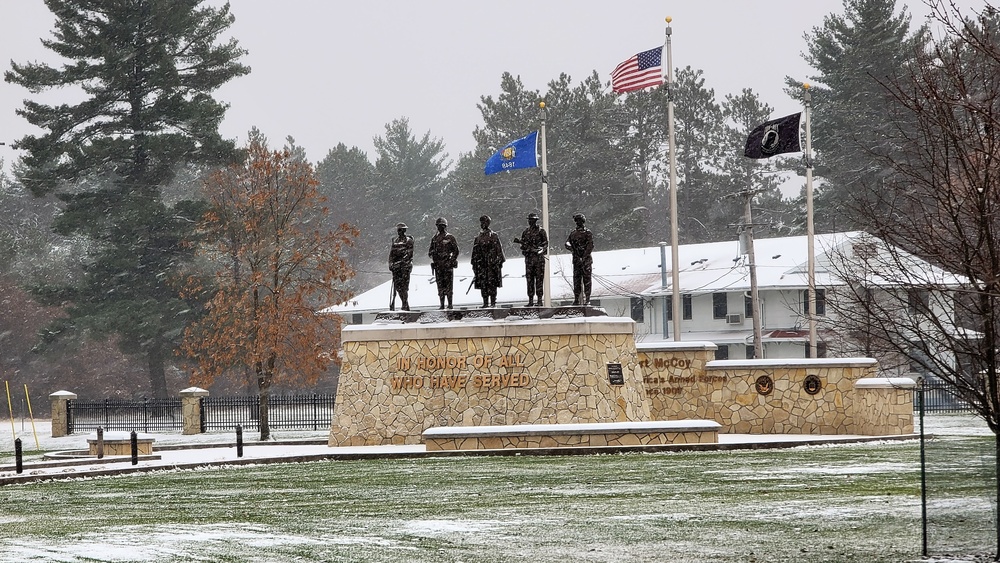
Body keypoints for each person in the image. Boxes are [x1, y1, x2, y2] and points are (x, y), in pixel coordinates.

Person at [513, 212, 547, 306]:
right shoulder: (525, 232)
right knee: (529, 280)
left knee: (539, 280)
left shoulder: (541, 231)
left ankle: (539, 300)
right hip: (529, 260)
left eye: (532, 220)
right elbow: (523, 247)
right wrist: (527, 249)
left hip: (539, 260)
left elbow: (545, 245)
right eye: (529, 220)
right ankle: (530, 300)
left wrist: (540, 250)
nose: (530, 222)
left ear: (535, 221)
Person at [471, 215, 505, 308]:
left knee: (492, 284)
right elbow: (474, 253)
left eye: (484, 222)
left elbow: (499, 251)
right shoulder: (478, 238)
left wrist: (497, 262)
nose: (482, 224)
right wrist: (475, 264)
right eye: (481, 223)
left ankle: (493, 303)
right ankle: (485, 303)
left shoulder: (494, 236)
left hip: (492, 265)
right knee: (483, 285)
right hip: (482, 265)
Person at [428, 217, 460, 309]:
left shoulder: (450, 237)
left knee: (449, 286)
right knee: (440, 285)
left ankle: (450, 304)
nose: (440, 227)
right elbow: (429, 252)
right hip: (438, 265)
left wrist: (451, 260)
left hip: (447, 265)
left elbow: (456, 251)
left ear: (445, 226)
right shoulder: (434, 238)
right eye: (438, 226)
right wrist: (433, 254)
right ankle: (442, 304)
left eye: (442, 226)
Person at [564, 212, 594, 306]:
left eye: (580, 221)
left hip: (586, 261)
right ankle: (576, 298)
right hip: (576, 260)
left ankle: (587, 299)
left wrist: (584, 256)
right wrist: (573, 249)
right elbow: (567, 243)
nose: (578, 223)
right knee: (576, 281)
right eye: (577, 221)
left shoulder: (587, 233)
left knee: (587, 280)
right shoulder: (573, 233)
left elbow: (590, 246)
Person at [388, 222, 413, 311]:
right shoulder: (395, 241)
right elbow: (391, 255)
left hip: (405, 267)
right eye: (398, 230)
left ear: (404, 230)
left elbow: (409, 254)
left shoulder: (409, 240)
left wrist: (400, 262)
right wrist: (391, 264)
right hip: (396, 268)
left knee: (404, 287)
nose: (399, 232)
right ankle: (405, 303)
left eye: (401, 230)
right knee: (398, 287)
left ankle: (405, 304)